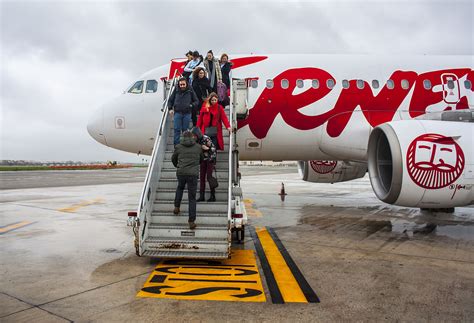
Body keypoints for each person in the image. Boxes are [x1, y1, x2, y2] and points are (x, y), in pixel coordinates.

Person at [172, 130, 204, 229]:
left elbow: (173, 159)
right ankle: (191, 221)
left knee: (180, 188)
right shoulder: (198, 147)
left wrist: (178, 166)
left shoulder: (178, 147)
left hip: (181, 173)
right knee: (192, 198)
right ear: (193, 137)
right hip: (193, 175)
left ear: (183, 137)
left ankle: (177, 207)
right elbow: (201, 159)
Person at [168, 77, 199, 146]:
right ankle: (176, 146)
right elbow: (170, 100)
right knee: (176, 130)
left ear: (186, 84)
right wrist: (170, 109)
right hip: (177, 113)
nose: (182, 86)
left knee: (185, 131)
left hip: (187, 114)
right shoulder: (176, 90)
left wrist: (191, 105)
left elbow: (197, 101)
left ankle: (185, 145)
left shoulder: (190, 90)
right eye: (180, 85)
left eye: (183, 84)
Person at [192, 127, 218, 202]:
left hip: (210, 160)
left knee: (209, 177)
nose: (193, 137)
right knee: (202, 178)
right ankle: (201, 196)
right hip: (203, 160)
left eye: (194, 135)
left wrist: (207, 149)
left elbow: (214, 149)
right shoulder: (195, 141)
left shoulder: (206, 139)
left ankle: (213, 196)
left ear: (197, 134)